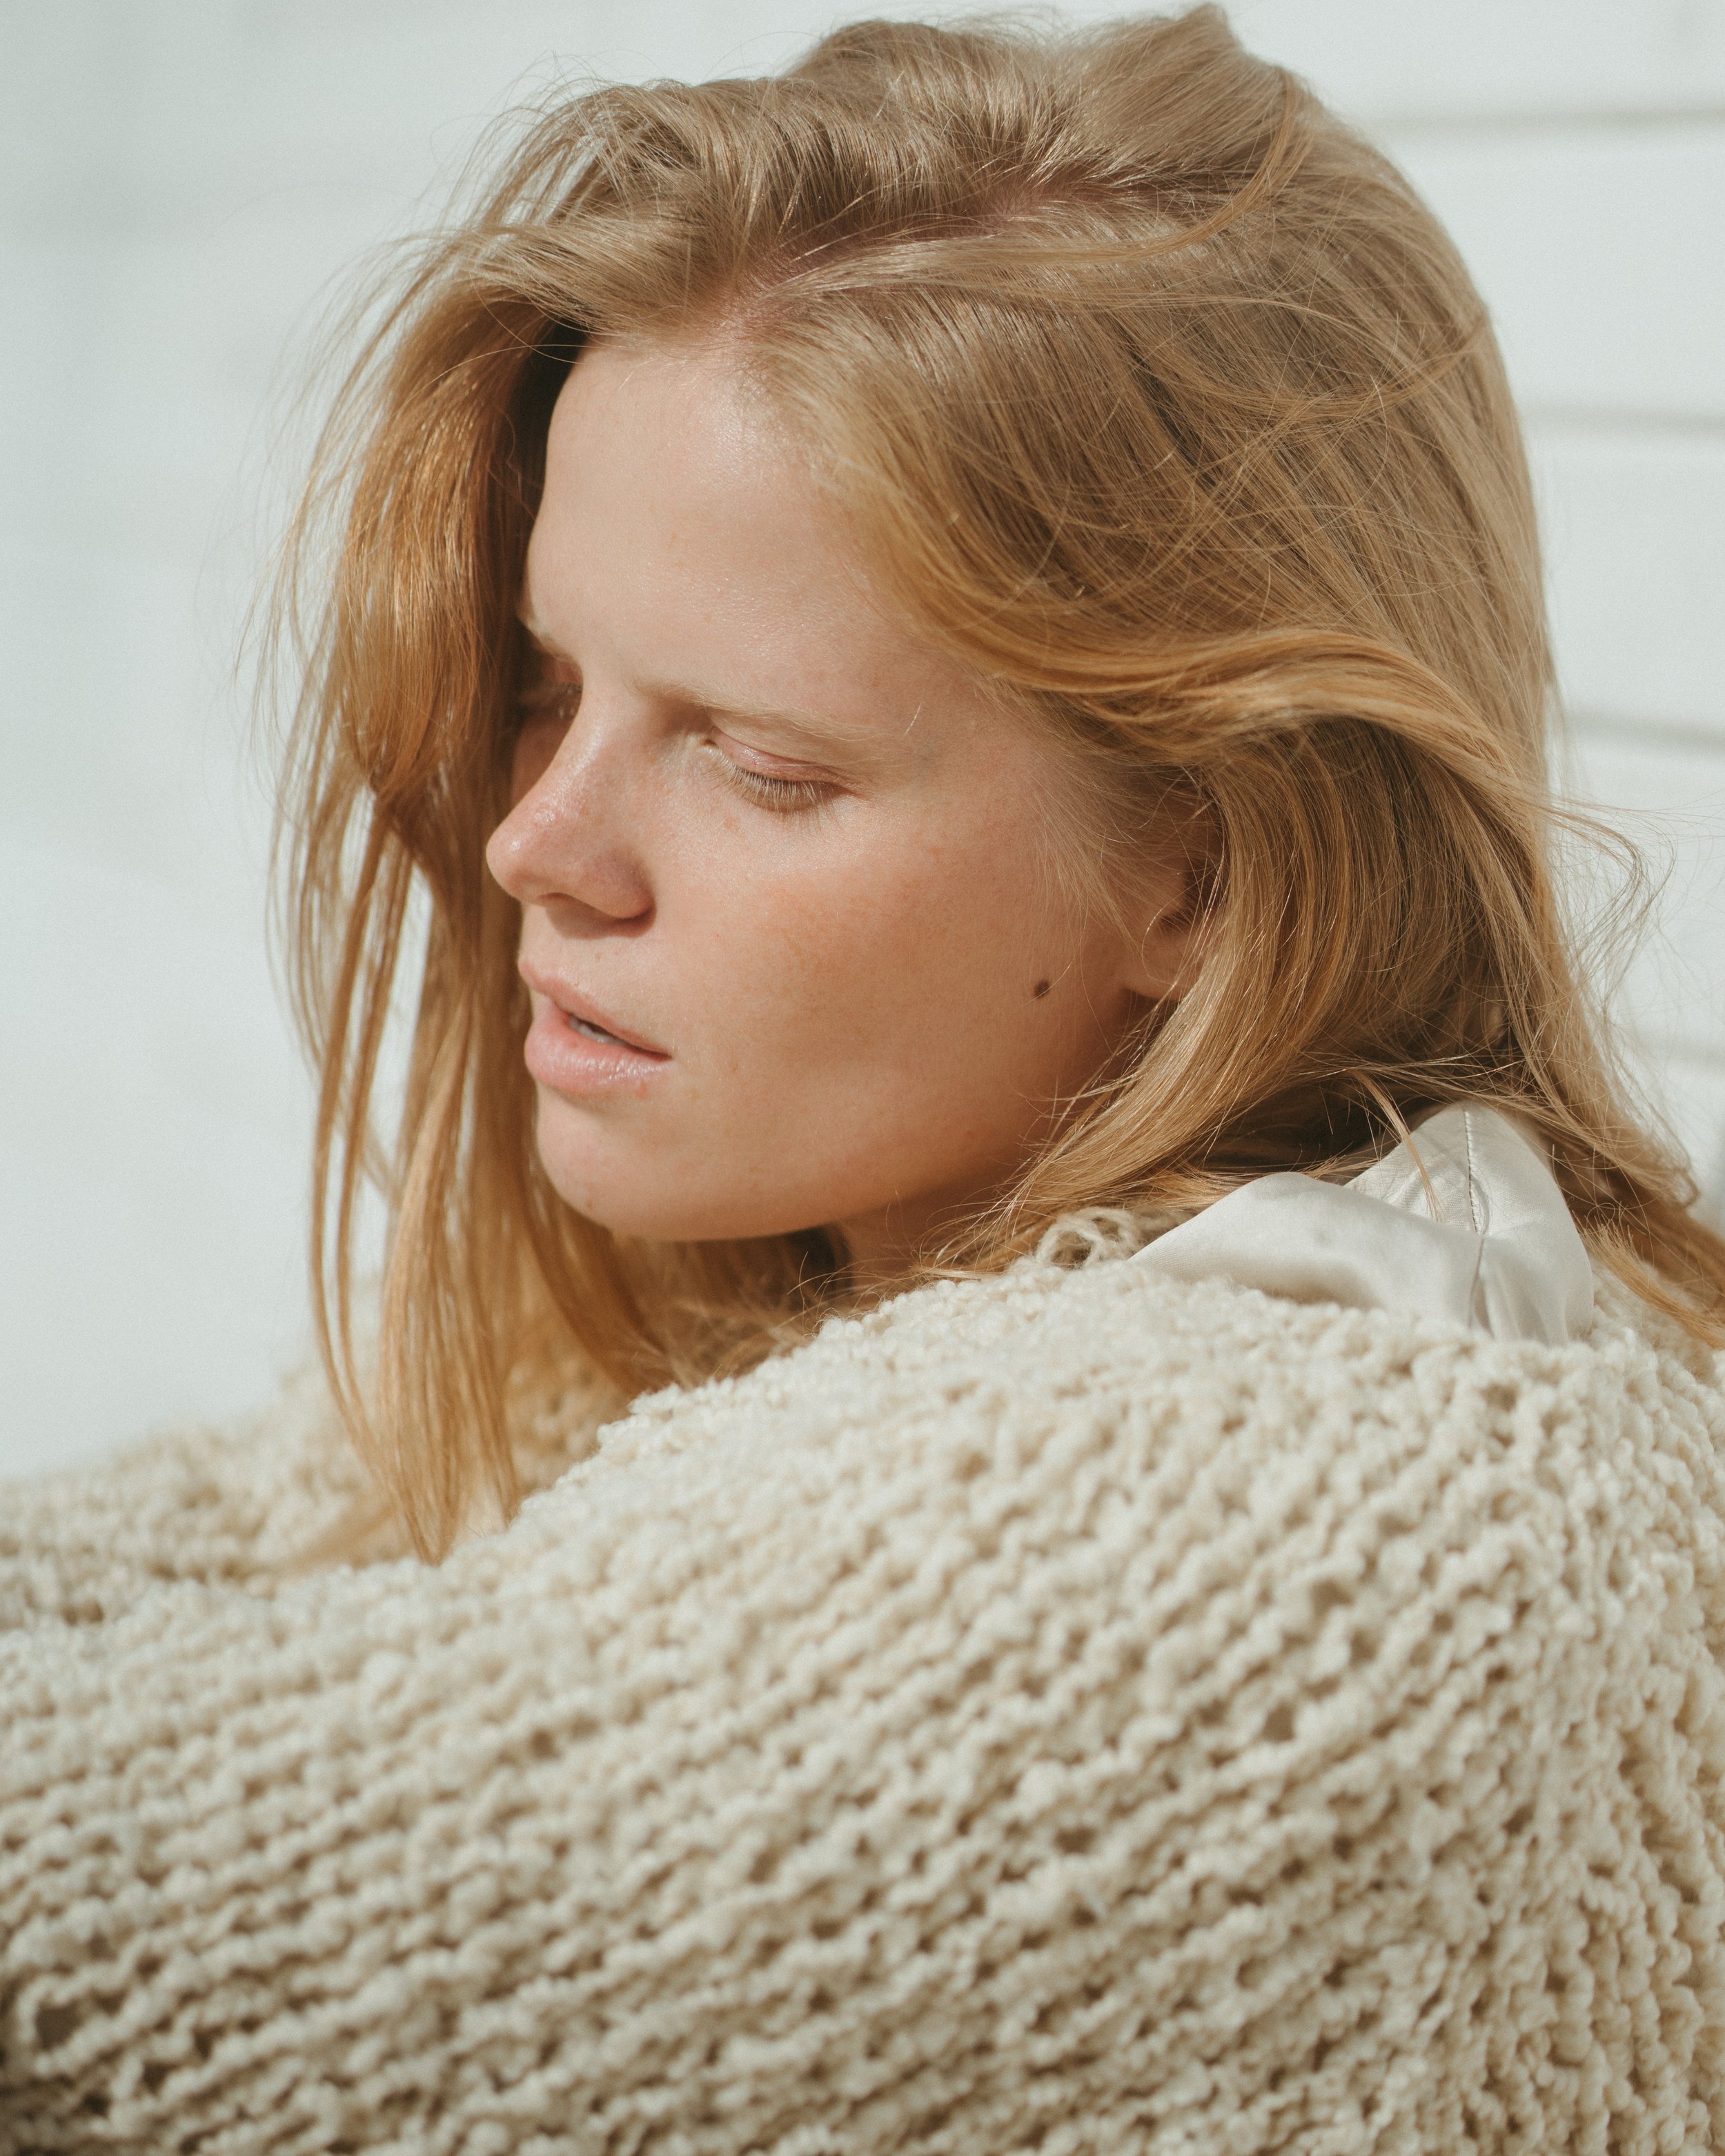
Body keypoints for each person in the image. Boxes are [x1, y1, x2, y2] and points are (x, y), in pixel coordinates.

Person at [5, 7, 1724, 2148]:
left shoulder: (1301, 1518)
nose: (533, 842)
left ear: (1204, 858)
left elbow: (106, 1926)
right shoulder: (791, 1299)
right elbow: (200, 1544)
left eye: (759, 761)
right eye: (548, 687)